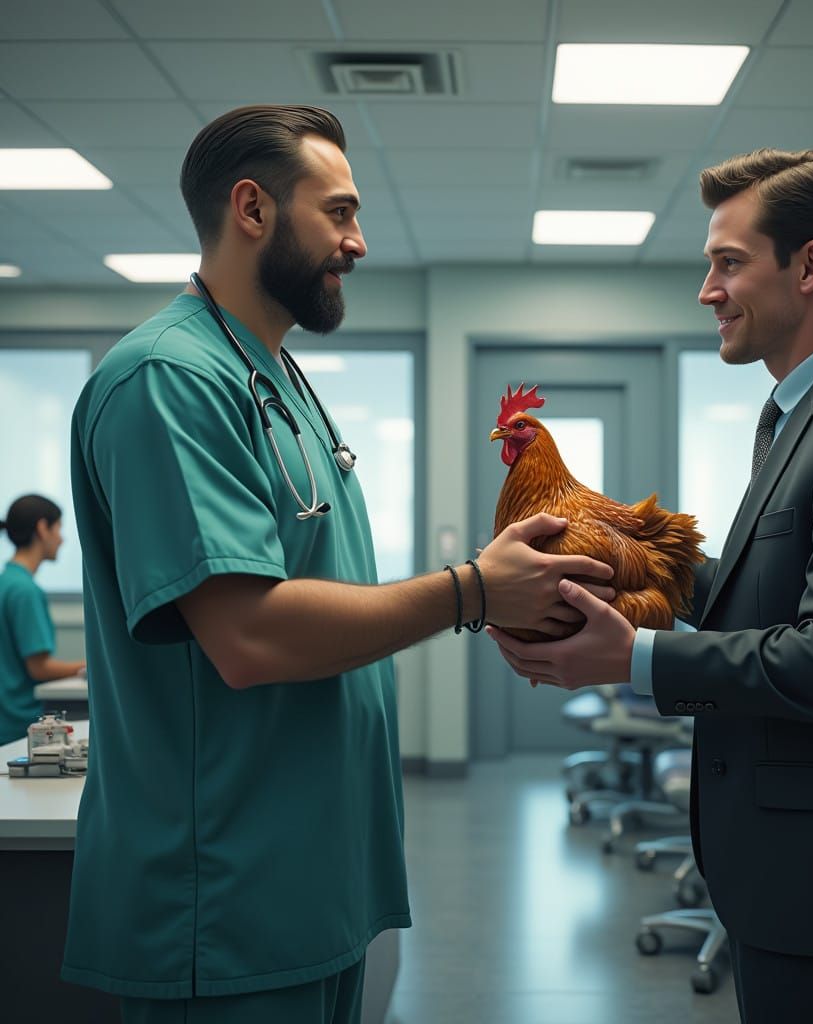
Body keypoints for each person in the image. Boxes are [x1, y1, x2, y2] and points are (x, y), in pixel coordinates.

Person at [61, 104, 614, 1023]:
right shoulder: (169, 379)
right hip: (227, 897)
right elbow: (247, 636)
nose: (359, 242)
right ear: (252, 209)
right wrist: (472, 590)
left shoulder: (275, 376)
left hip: (314, 880)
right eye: (341, 212)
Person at [488, 148, 813, 1024]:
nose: (707, 289)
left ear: (810, 266)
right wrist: (627, 556)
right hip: (780, 862)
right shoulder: (800, 416)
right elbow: (766, 596)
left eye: (728, 263)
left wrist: (638, 657)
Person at [0, 494, 86, 745]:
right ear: (42, 528)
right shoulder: (25, 590)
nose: (62, 538)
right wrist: (87, 666)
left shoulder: (7, 582)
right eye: (59, 528)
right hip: (17, 724)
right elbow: (39, 667)